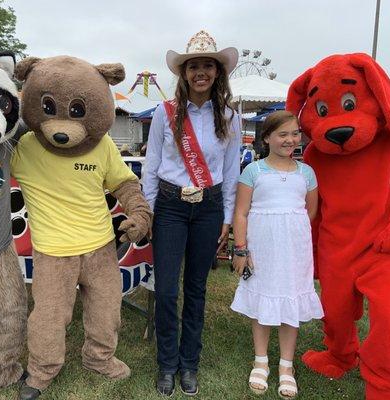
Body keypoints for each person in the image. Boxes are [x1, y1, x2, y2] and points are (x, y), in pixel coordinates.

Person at [143, 30, 240, 396]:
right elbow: (151, 166)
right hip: (169, 207)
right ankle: (167, 364)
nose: (201, 72)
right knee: (167, 291)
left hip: (209, 208)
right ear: (184, 73)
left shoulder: (229, 116)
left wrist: (227, 218)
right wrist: (149, 211)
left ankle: (189, 364)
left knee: (196, 290)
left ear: (217, 72)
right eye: (194, 66)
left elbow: (231, 172)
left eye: (208, 66)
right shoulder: (163, 112)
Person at [230, 110, 324, 398]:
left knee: (289, 304)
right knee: (262, 301)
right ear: (267, 137)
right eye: (282, 134)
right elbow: (242, 212)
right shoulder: (254, 171)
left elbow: (310, 211)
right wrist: (241, 248)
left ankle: (286, 365)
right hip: (262, 247)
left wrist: (289, 231)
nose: (290, 139)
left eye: (295, 133)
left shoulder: (306, 172)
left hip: (294, 250)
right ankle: (261, 360)